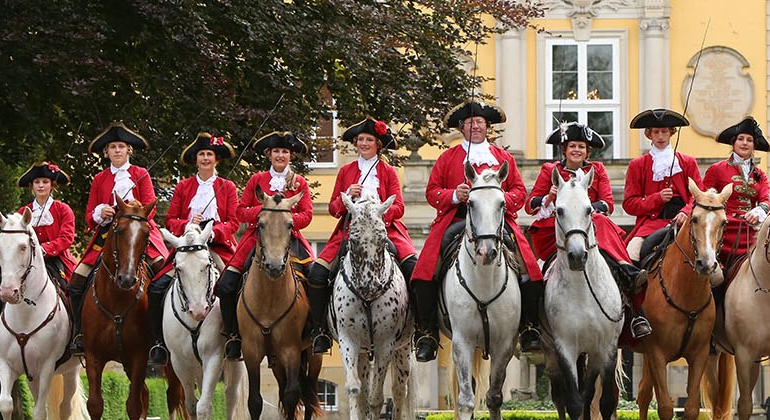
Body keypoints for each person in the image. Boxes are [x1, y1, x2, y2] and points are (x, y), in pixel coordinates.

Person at [416, 101, 543, 362]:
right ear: (462, 129)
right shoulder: (447, 158)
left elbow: (519, 190)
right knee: (426, 270)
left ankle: (529, 326)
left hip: (497, 221)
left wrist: (500, 198)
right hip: (457, 219)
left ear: (488, 128)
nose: (476, 127)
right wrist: (453, 195)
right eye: (470, 123)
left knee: (529, 266)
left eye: (481, 123)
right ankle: (427, 332)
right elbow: (432, 192)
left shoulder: (503, 158)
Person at [526, 122, 650, 338]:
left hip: (591, 229)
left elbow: (608, 204)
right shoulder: (550, 170)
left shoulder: (597, 170)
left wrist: (586, 210)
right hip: (556, 230)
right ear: (564, 149)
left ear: (587, 151)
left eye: (581, 147)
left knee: (600, 221)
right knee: (531, 277)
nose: (577, 150)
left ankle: (631, 296)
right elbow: (530, 204)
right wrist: (549, 197)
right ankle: (532, 326)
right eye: (572, 146)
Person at [310, 118, 416, 355]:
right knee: (317, 273)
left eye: (369, 140)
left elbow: (399, 206)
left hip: (386, 230)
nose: (364, 144)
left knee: (414, 268)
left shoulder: (388, 171)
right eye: (361, 140)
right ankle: (320, 331)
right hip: (350, 230)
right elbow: (333, 208)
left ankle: (416, 327)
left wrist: (379, 213)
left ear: (378, 144)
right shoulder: (346, 171)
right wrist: (347, 195)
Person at [65, 123, 165, 353]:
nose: (117, 150)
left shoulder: (141, 174)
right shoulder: (99, 178)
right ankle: (80, 332)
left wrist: (133, 209)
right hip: (107, 237)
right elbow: (89, 215)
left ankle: (159, 335)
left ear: (129, 150)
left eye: (121, 146)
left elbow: (150, 209)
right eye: (112, 147)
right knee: (76, 282)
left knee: (163, 276)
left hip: (138, 236)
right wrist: (100, 213)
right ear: (106, 152)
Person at [147, 132, 240, 367]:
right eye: (202, 154)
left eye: (209, 154)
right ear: (196, 159)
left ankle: (234, 337)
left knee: (233, 286)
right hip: (188, 248)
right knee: (157, 288)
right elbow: (171, 220)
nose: (206, 158)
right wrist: (188, 225)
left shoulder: (227, 187)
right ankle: (159, 342)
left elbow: (234, 221)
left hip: (218, 246)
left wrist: (215, 230)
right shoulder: (183, 186)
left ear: (216, 160)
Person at [222, 130, 315, 359]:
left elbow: (307, 214)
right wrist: (265, 212)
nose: (280, 155)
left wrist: (286, 219)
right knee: (226, 283)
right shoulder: (256, 179)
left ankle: (315, 331)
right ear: (269, 154)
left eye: (284, 151)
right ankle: (234, 335)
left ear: (290, 156)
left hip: (289, 238)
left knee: (316, 278)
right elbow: (240, 211)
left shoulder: (299, 182)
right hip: (257, 238)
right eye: (276, 151)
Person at [0, 161, 76, 358]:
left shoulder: (63, 209)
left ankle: (76, 336)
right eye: (37, 182)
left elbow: (66, 238)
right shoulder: (22, 212)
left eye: (45, 182)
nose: (41, 185)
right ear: (32, 187)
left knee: (72, 292)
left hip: (55, 261)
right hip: (24, 264)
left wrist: (43, 249)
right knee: (1, 295)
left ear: (52, 185)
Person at [700, 117, 770, 337]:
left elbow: (766, 198)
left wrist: (759, 210)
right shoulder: (717, 169)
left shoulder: (760, 174)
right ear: (733, 143)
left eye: (749, 140)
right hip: (726, 231)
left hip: (753, 233)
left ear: (754, 145)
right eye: (740, 139)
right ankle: (711, 325)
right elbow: (704, 197)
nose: (744, 143)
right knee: (711, 273)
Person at [624, 109, 702, 262]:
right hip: (650, 226)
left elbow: (699, 195)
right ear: (649, 135)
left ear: (671, 133)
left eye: (664, 131)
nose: (660, 136)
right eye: (656, 132)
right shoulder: (637, 165)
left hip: (685, 224)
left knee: (714, 269)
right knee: (629, 255)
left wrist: (686, 212)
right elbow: (629, 204)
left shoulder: (687, 162)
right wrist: (656, 198)